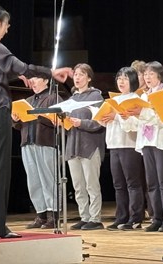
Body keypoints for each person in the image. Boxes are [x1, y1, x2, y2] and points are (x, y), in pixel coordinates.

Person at [0, 5, 72, 239]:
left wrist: (17, 74)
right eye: (6, 25)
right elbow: (22, 66)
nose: (7, 30)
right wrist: (51, 72)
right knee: (0, 170)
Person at [131, 61, 163, 232]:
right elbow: (143, 120)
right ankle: (156, 218)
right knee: (152, 183)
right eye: (145, 74)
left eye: (151, 74)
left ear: (159, 75)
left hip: (162, 141)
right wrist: (133, 115)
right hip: (147, 141)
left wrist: (143, 113)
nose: (147, 77)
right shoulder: (144, 96)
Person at [11, 76, 60, 230]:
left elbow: (57, 121)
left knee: (48, 178)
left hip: (45, 142)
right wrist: (15, 119)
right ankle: (41, 214)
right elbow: (19, 125)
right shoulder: (28, 100)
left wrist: (38, 115)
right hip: (27, 143)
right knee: (33, 180)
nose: (32, 81)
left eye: (36, 78)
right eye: (30, 79)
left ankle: (53, 215)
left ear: (46, 81)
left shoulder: (53, 98)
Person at [99, 67, 144, 231]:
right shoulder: (114, 100)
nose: (121, 81)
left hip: (129, 144)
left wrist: (116, 116)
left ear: (132, 81)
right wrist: (102, 117)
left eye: (125, 78)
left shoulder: (136, 99)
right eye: (119, 78)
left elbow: (137, 124)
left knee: (133, 183)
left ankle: (135, 218)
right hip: (114, 144)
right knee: (118, 184)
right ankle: (121, 217)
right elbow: (106, 122)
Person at [66, 63, 106, 230]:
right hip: (72, 146)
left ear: (89, 78)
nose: (77, 77)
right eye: (75, 74)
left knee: (91, 184)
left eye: (81, 74)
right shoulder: (71, 99)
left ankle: (95, 218)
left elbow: (100, 122)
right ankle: (84, 216)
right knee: (78, 186)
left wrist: (81, 123)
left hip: (89, 146)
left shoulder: (96, 97)